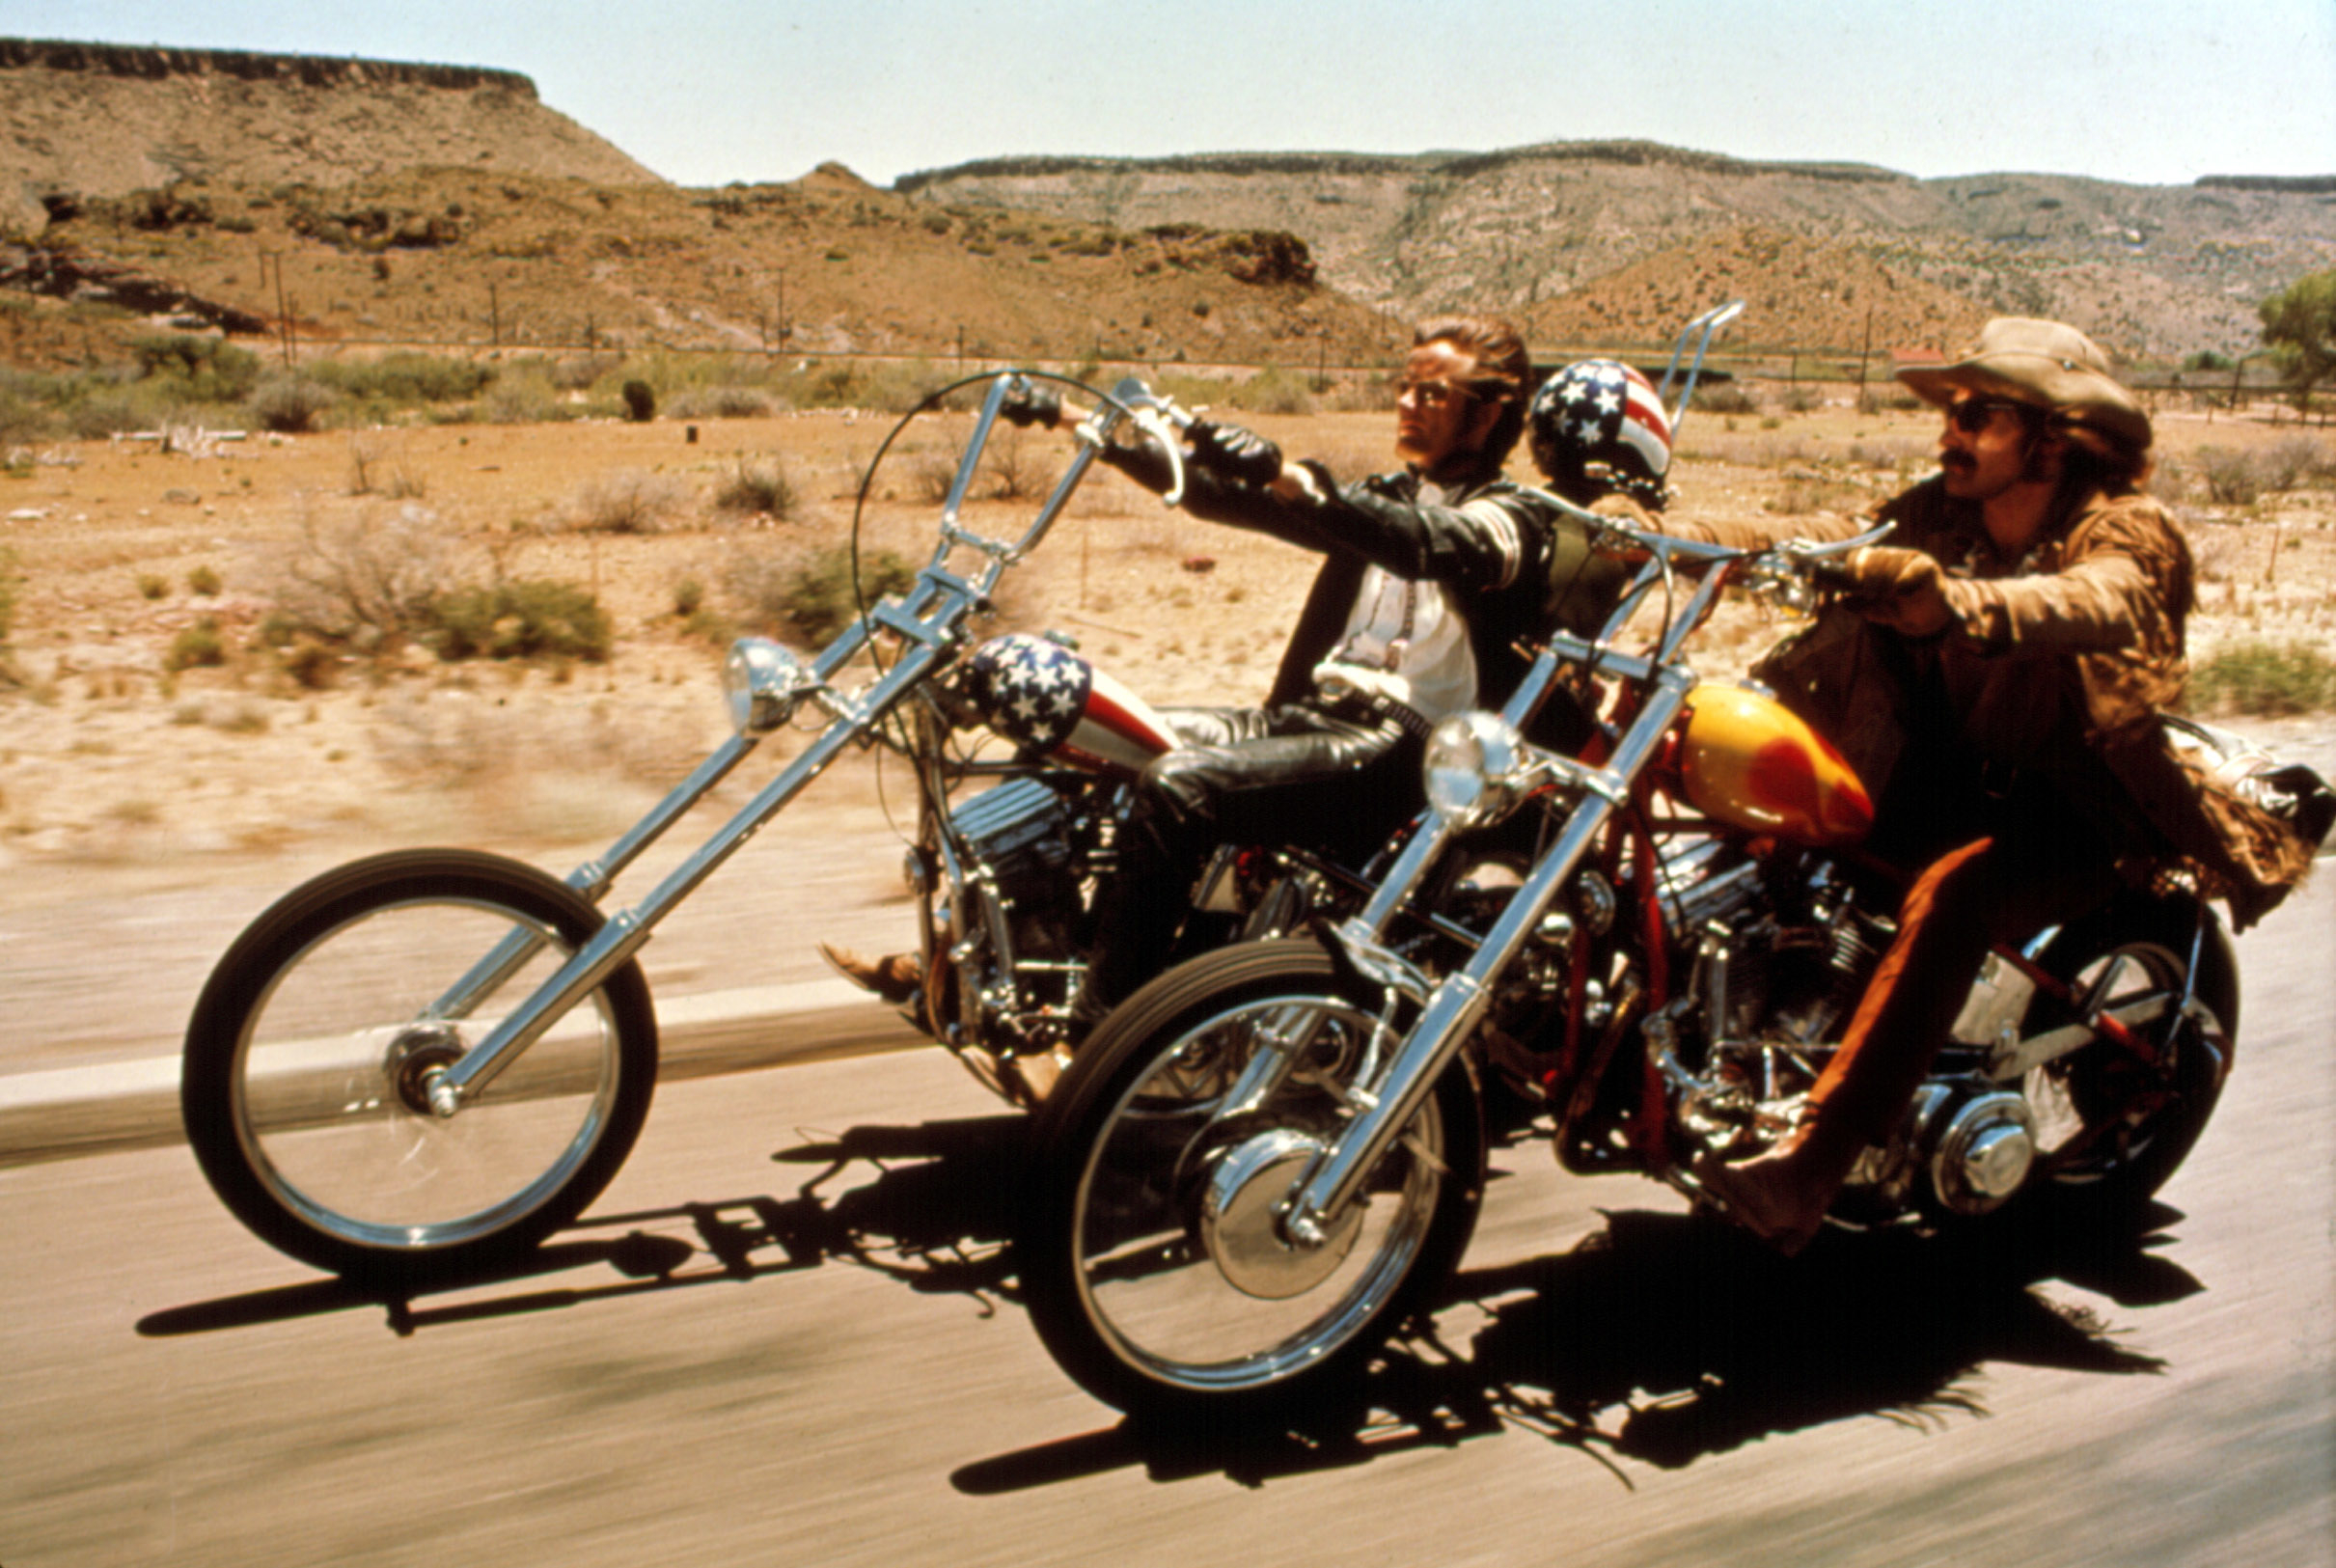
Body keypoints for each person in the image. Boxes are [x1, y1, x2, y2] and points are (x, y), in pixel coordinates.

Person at [1683, 316, 2319, 1253]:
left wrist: (1962, 600)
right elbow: (1822, 534)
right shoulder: (1944, 511)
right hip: (1937, 778)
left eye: (1979, 413)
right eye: (1952, 411)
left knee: (1956, 894)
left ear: (2051, 438)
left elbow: (2103, 598)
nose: (1950, 430)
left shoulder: (2125, 529)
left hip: (2073, 808)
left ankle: (1808, 1170)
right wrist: (1680, 536)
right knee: (1766, 809)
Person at [826, 317, 1621, 1059]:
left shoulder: (1515, 520)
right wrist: (1086, 425)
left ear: (1487, 416)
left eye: (1432, 393)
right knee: (1087, 744)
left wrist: (1290, 475)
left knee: (1180, 790)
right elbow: (1219, 497)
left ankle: (1108, 1046)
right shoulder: (1390, 494)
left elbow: (1424, 546)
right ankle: (982, 967)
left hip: (1401, 749)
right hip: (1312, 717)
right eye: (1405, 387)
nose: (1408, 405)